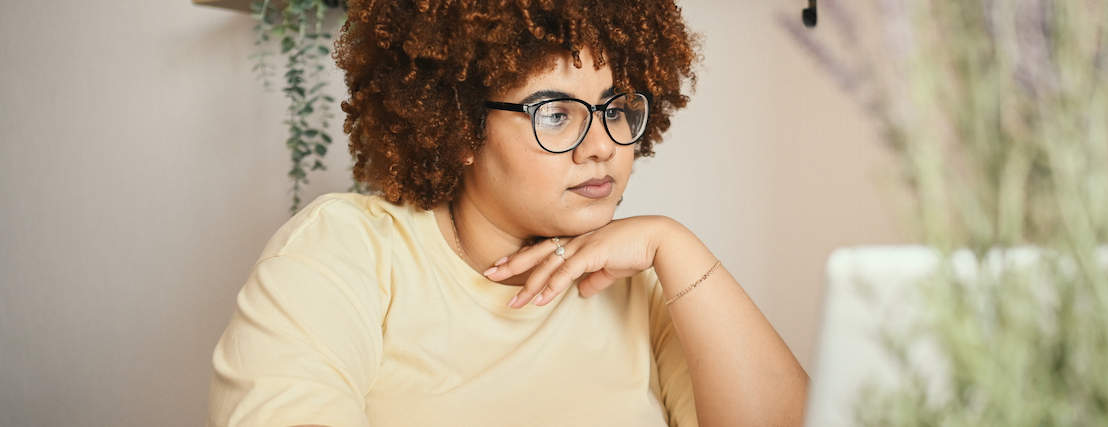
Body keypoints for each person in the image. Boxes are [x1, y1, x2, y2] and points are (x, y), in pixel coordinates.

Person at [206, 1, 809, 426]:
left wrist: (678, 247)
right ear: (461, 127)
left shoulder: (640, 281)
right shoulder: (345, 252)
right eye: (554, 113)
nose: (602, 145)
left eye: (616, 108)